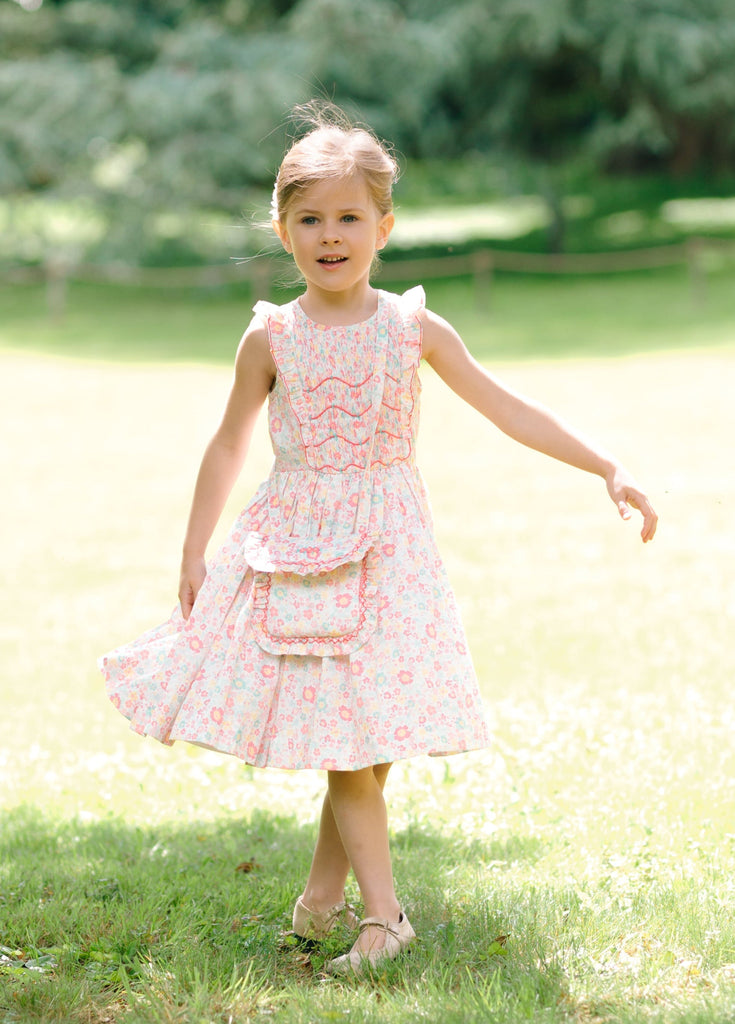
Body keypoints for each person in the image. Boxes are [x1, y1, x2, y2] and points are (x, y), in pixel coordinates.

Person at [100, 104, 657, 976]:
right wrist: (192, 550)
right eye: (310, 220)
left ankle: (324, 901)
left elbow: (505, 405)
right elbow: (227, 443)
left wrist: (605, 465)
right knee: (346, 737)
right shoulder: (270, 335)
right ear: (282, 231)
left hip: (391, 552)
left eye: (349, 218)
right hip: (299, 553)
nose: (330, 237)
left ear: (384, 226)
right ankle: (381, 918)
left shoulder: (412, 329)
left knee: (364, 736)